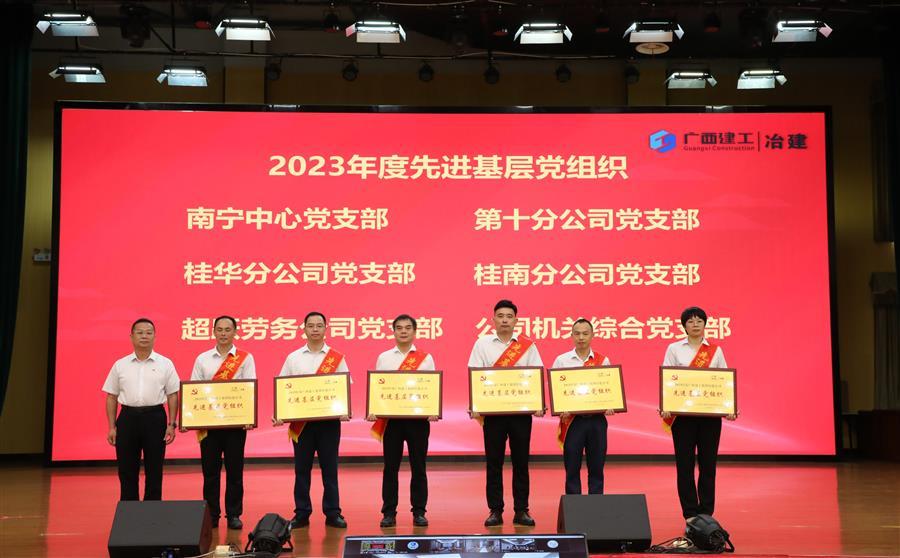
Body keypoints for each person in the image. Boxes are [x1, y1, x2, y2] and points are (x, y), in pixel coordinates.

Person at [467, 299, 543, 527]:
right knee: (494, 463)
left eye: (509, 316)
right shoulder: (482, 344)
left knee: (521, 462)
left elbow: (536, 374)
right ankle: (495, 510)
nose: (504, 320)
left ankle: (521, 510)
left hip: (521, 414)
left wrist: (538, 402)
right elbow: (475, 374)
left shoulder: (527, 346)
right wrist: (476, 404)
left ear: (516, 320)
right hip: (493, 414)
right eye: (500, 316)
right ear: (493, 319)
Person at [660, 306, 737, 520]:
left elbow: (723, 381)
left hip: (709, 417)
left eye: (699, 321)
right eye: (690, 321)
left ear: (705, 324)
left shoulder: (715, 351)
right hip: (683, 418)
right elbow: (668, 379)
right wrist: (666, 405)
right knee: (684, 466)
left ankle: (706, 513)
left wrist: (729, 408)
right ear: (684, 326)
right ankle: (690, 514)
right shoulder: (674, 348)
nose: (695, 324)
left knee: (708, 465)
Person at [275, 311, 349, 529]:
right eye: (311, 325)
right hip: (302, 424)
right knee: (301, 470)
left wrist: (344, 409)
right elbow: (284, 388)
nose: (315, 329)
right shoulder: (293, 358)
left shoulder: (337, 357)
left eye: (319, 325)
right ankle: (302, 512)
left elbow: (343, 387)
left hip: (329, 423)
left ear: (326, 329)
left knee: (330, 469)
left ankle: (333, 513)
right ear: (304, 329)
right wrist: (281, 413)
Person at [189, 316, 256, 530]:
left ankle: (233, 514)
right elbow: (194, 390)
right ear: (213, 332)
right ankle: (212, 515)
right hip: (209, 425)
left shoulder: (245, 358)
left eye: (228, 329)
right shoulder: (202, 359)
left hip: (235, 425)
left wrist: (248, 417)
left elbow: (249, 388)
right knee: (210, 472)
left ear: (235, 332)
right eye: (220, 329)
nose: (224, 333)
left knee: (235, 472)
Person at [369, 314, 437, 528]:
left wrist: (432, 409)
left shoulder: (426, 358)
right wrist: (374, 409)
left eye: (408, 328)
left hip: (418, 421)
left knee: (419, 467)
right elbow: (379, 388)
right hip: (392, 421)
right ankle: (389, 512)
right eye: (399, 328)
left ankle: (419, 512)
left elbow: (430, 387)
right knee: (390, 468)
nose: (404, 331)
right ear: (394, 331)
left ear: (414, 332)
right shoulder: (384, 357)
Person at [102, 318, 180, 501]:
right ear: (131, 336)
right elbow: (111, 396)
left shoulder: (165, 363)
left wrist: (171, 424)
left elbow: (173, 395)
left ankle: (152, 510)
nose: (144, 336)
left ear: (155, 336)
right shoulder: (120, 364)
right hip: (128, 418)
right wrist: (112, 427)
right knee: (126, 468)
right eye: (140, 332)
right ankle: (129, 509)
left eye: (149, 332)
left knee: (155, 468)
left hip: (155, 418)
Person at [551, 318, 616, 495]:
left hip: (597, 420)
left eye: (585, 333)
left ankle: (596, 504)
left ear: (592, 335)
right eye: (577, 333)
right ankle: (574, 505)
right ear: (571, 335)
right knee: (572, 467)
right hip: (572, 421)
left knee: (597, 466)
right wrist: (560, 408)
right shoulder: (562, 360)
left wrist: (610, 405)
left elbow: (609, 389)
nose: (581, 337)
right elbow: (556, 390)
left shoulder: (603, 360)